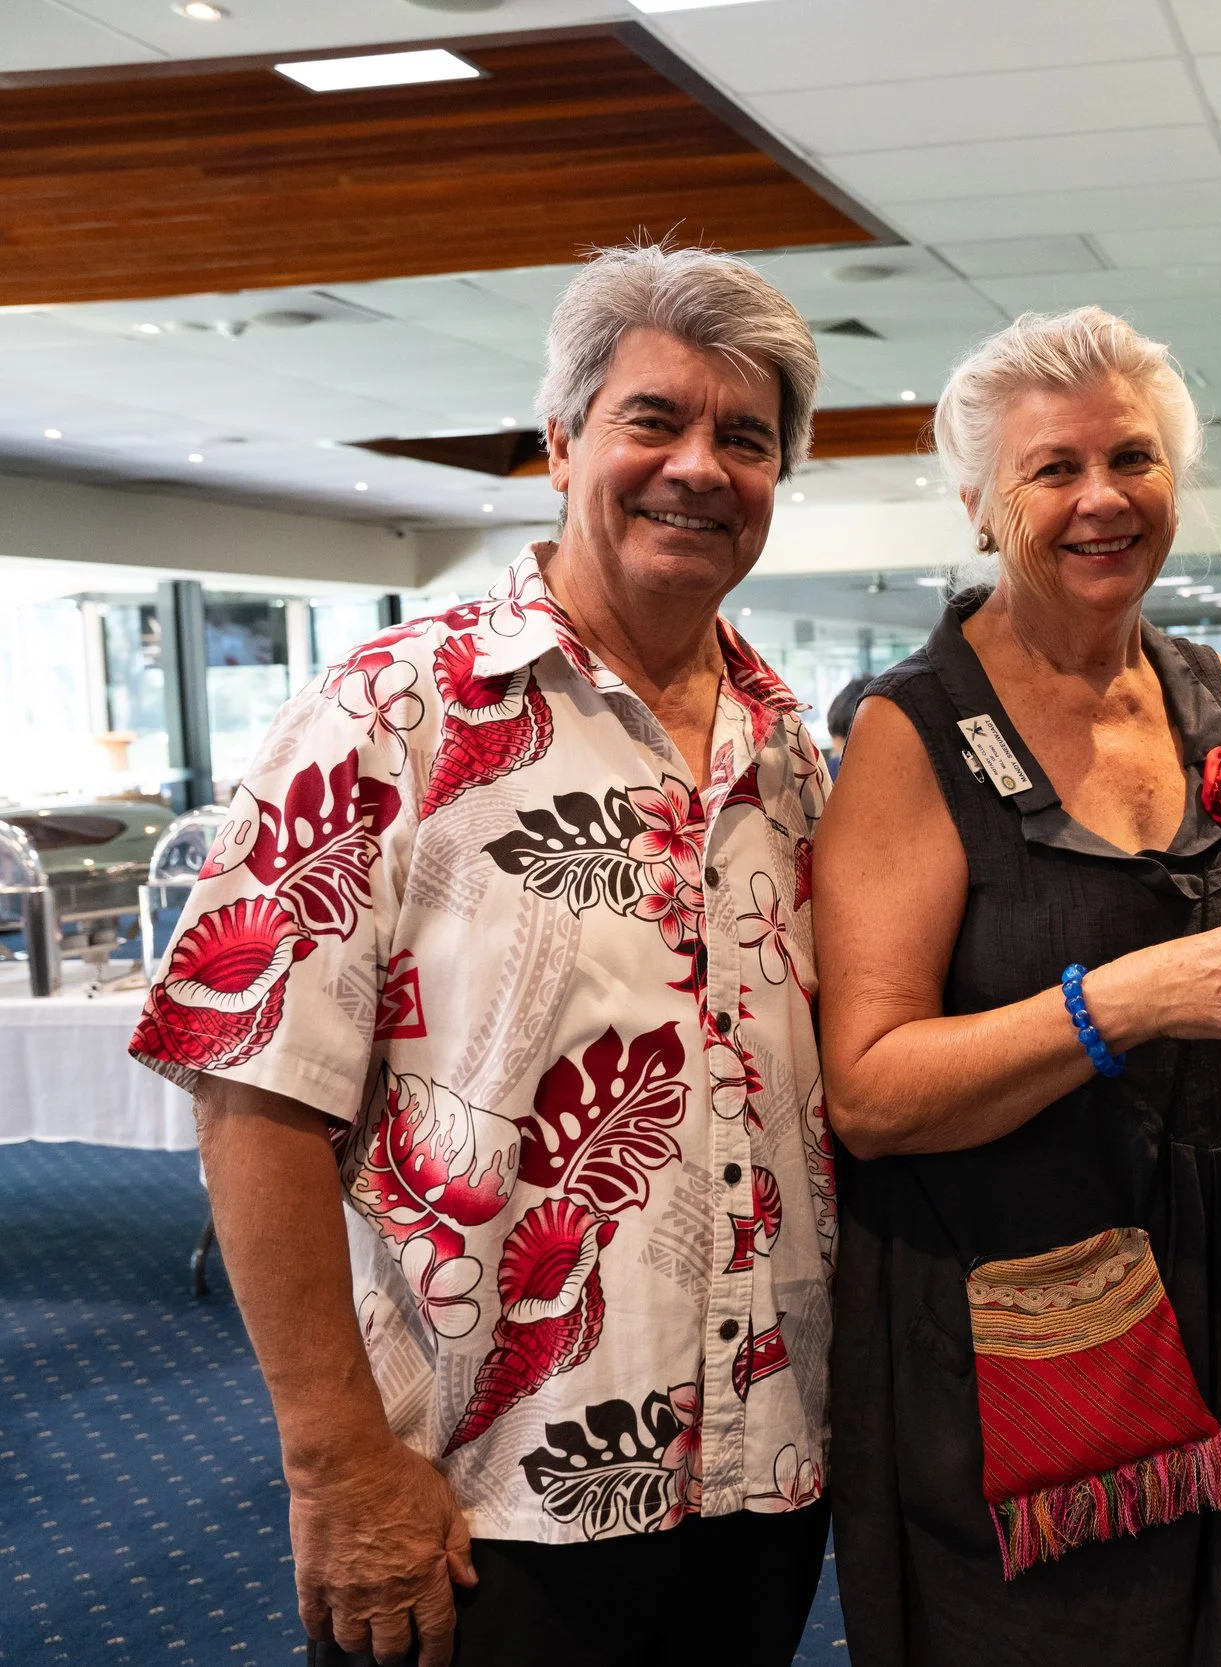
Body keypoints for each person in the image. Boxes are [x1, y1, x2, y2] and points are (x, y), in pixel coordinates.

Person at [131, 245, 840, 1667]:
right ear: (563, 442)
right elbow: (251, 1092)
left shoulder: (789, 751)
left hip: (759, 1476)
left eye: (746, 438)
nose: (699, 467)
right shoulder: (393, 712)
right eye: (654, 420)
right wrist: (333, 1460)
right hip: (480, 1498)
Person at [815, 306, 1221, 1667]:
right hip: (1017, 1313)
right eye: (1052, 468)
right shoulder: (909, 732)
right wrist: (1126, 1000)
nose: (1101, 498)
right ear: (979, 504)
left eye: (1132, 458)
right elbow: (868, 1094)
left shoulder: (1216, 697)